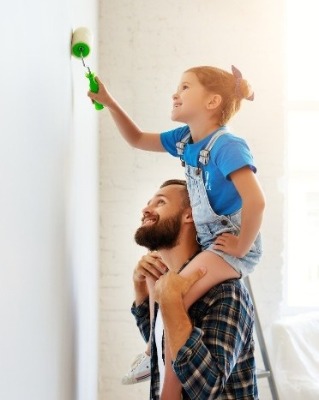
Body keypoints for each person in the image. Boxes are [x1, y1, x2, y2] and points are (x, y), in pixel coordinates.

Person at [89, 65, 265, 396]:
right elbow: (138, 139)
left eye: (184, 87)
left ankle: (149, 358)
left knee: (175, 295)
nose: (175, 93)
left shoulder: (228, 145)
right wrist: (109, 102)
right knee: (165, 289)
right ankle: (151, 356)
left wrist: (241, 246)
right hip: (213, 243)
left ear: (213, 102)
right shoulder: (185, 141)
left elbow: (256, 201)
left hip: (230, 246)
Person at [129, 179, 258, 399]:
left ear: (190, 215)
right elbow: (160, 345)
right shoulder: (167, 281)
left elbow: (207, 389)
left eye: (160, 202)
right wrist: (141, 290)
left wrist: (171, 303)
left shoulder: (226, 291)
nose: (146, 209)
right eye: (149, 202)